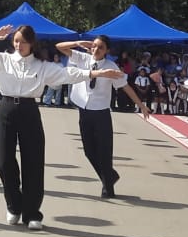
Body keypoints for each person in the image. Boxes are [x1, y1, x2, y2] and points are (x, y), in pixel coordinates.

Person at [0, 24, 123, 230]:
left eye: (23, 41)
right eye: (16, 41)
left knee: (33, 161)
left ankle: (32, 212)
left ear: (32, 43)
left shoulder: (42, 66)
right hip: (6, 109)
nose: (19, 45)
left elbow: (69, 74)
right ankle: (14, 204)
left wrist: (95, 74)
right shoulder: (2, 60)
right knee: (3, 160)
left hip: (29, 111)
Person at [56, 36, 150, 199]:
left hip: (101, 112)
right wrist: (78, 43)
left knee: (104, 151)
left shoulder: (111, 67)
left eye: (100, 47)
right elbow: (59, 47)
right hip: (84, 109)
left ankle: (107, 187)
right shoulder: (82, 58)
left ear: (107, 50)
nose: (96, 50)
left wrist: (141, 105)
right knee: (89, 151)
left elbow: (125, 87)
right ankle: (110, 176)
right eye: (94, 46)